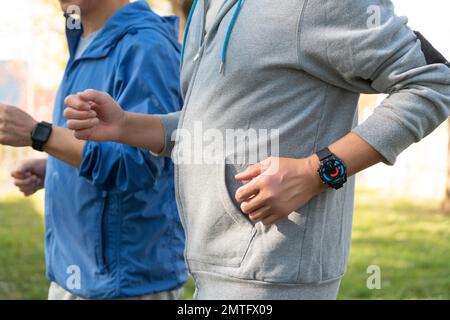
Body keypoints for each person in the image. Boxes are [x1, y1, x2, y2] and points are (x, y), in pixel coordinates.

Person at [64, 0, 450, 299]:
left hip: (275, 277)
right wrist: (127, 126)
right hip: (211, 268)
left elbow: (433, 80)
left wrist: (320, 171)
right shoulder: (205, 8)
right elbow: (211, 127)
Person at [0, 0, 187, 299]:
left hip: (125, 285)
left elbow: (138, 165)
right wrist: (56, 167)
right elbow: (97, 144)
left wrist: (39, 134)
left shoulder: (146, 47)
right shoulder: (81, 37)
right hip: (73, 276)